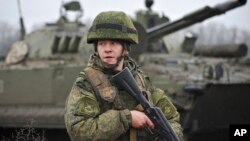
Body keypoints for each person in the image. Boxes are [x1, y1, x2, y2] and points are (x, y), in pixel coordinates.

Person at [64, 11, 183, 141]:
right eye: (102, 43)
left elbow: (172, 119)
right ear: (96, 48)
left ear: (125, 48)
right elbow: (79, 130)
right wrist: (127, 118)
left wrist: (168, 135)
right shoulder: (87, 83)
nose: (107, 49)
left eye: (113, 43)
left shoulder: (140, 80)